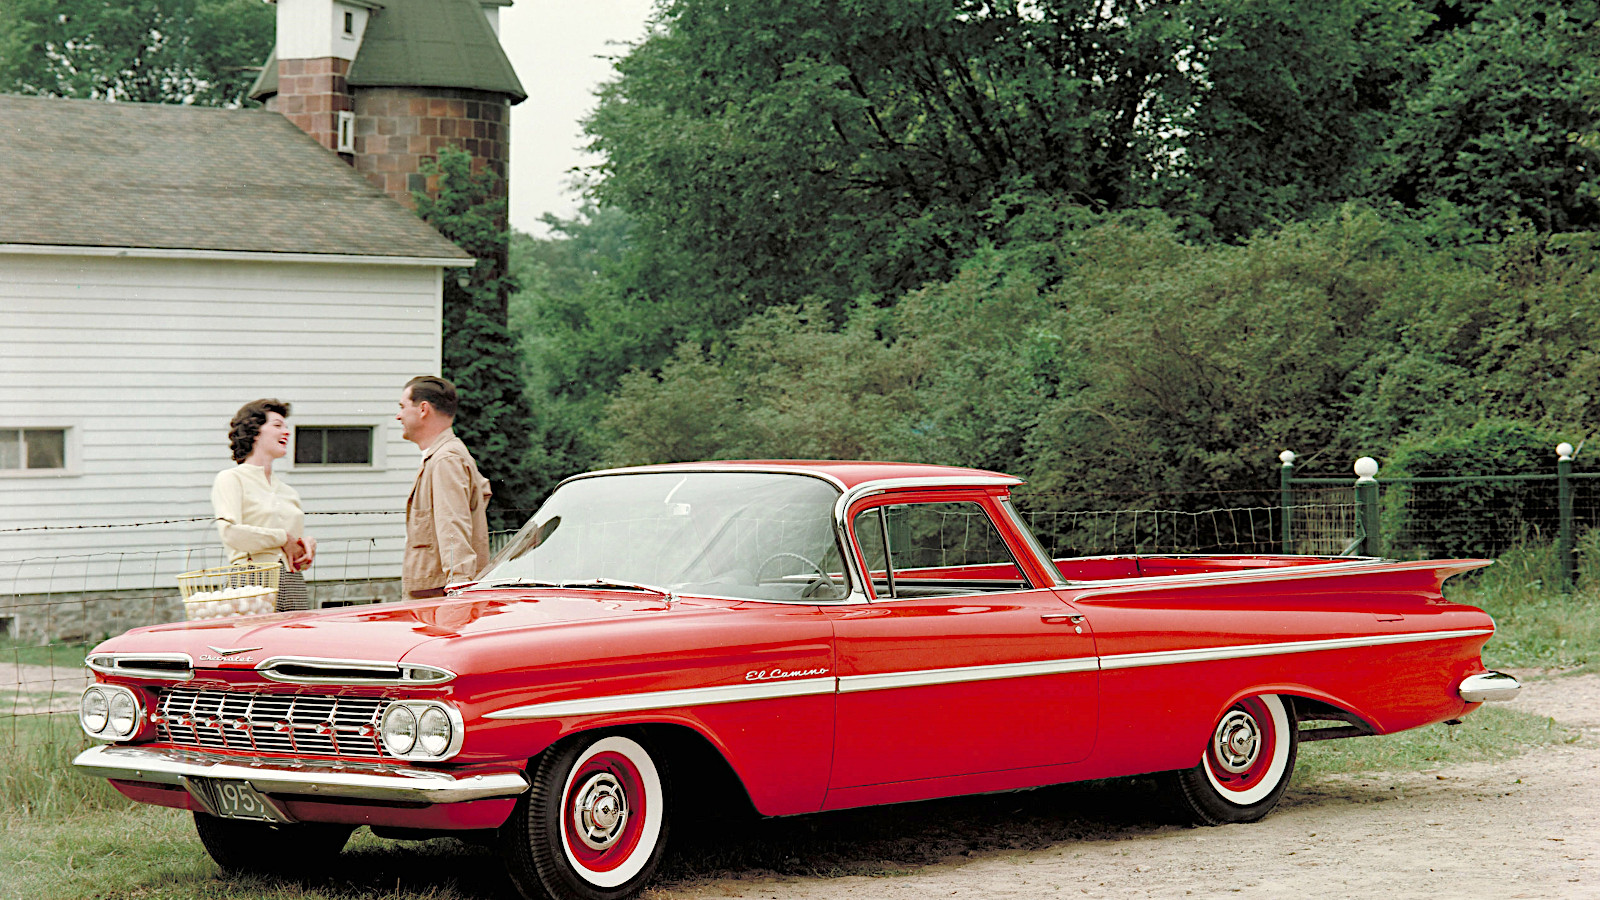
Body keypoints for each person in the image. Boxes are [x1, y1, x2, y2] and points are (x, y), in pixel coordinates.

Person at [211, 399, 314, 611]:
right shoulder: (231, 478)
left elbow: (292, 554)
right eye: (277, 425)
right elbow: (230, 532)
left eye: (286, 426)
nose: (286, 432)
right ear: (255, 431)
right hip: (251, 579)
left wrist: (305, 547)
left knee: (297, 634)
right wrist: (283, 538)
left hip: (293, 583)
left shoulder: (288, 491)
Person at [397, 375, 492, 598]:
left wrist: (458, 591)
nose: (398, 416)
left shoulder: (445, 460)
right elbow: (483, 492)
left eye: (402, 407)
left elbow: (453, 526)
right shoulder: (445, 456)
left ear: (423, 409)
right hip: (433, 595)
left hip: (437, 602)